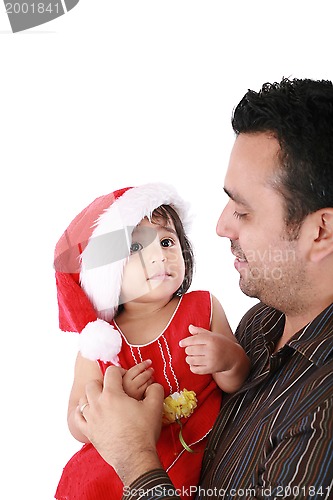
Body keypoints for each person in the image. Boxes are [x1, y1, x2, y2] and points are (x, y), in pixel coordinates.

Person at [75, 77, 333, 500]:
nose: (220, 226)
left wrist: (134, 458)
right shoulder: (261, 321)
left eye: (244, 211)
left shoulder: (322, 415)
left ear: (320, 230)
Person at [53, 182, 250, 500]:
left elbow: (235, 381)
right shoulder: (101, 342)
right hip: (115, 474)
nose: (160, 256)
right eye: (135, 248)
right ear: (106, 271)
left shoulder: (203, 307)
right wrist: (115, 399)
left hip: (196, 462)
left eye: (168, 241)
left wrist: (229, 359)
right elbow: (77, 421)